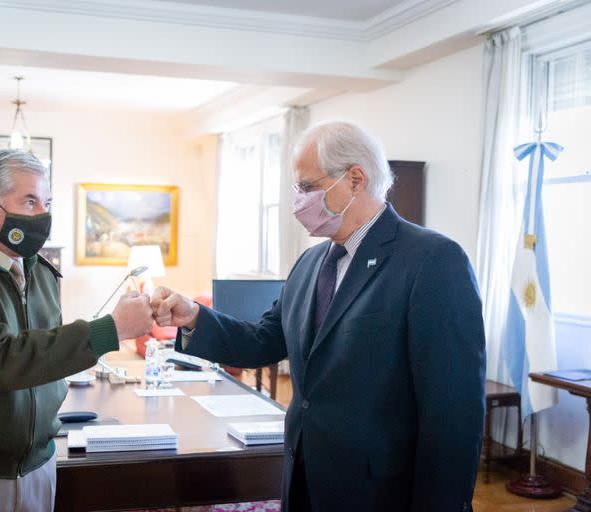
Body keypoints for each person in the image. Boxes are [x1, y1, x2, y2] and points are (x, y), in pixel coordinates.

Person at [151, 121, 486, 512]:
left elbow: (453, 414)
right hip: (304, 478)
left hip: (379, 493)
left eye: (307, 187)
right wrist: (192, 316)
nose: (298, 201)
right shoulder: (311, 262)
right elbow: (265, 339)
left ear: (355, 179)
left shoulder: (432, 260)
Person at [0, 149, 153, 512]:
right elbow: (4, 359)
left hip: (37, 467)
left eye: (47, 202)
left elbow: (43, 355)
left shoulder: (41, 274)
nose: (42, 215)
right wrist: (109, 330)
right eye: (29, 201)